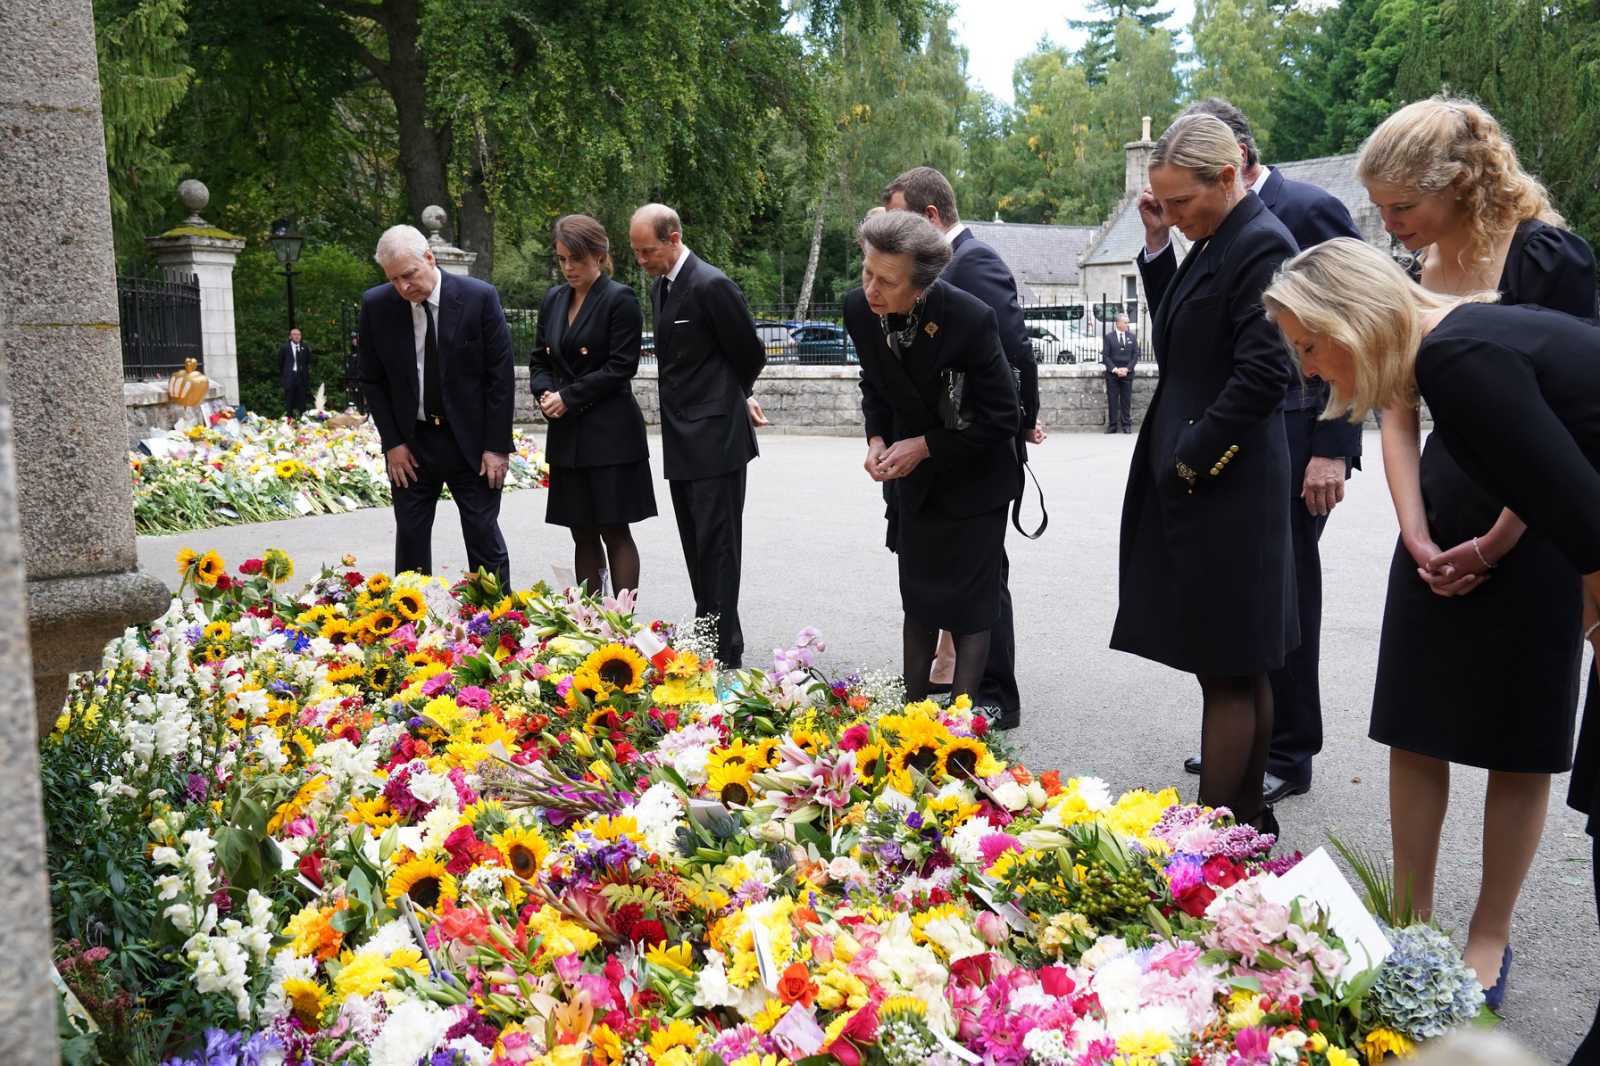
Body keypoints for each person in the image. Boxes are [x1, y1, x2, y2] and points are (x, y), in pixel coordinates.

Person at [1262, 235, 1600, 1035]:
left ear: (1351, 319)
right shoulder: (1443, 348)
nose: (1308, 370)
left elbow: (1584, 517)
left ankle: (1492, 940)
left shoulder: (1456, 355)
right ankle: (1410, 931)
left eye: (1310, 346)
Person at [1356, 95, 1596, 1007]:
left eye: (1401, 207)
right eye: (1382, 211)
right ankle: (1406, 924)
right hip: (1438, 511)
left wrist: (1496, 543)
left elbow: (1568, 430)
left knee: (1517, 738)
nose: (1390, 225)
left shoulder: (1548, 256)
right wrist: (1414, 527)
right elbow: (1395, 402)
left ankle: (1488, 936)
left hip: (1539, 525)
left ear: (1458, 185)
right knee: (1415, 725)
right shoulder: (1418, 262)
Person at [1109, 113, 1299, 836]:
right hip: (1212, 477)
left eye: (1182, 202)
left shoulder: (1261, 245)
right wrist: (1158, 243)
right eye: (1167, 206)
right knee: (1236, 663)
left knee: (1230, 665)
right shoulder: (1221, 238)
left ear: (1228, 176)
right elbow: (1182, 330)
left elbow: (1266, 373)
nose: (1177, 216)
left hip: (1227, 482)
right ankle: (1244, 826)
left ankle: (1216, 835)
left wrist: (1191, 457)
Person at [1178, 97, 1366, 805]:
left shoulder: (1308, 208)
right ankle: (1250, 744)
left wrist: (1335, 445)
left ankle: (1290, 748)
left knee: (1288, 595)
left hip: (1298, 436)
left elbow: (1356, 329)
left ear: (1234, 160)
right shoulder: (1214, 225)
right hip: (1244, 439)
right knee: (1250, 599)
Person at [881, 165, 1044, 731]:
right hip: (930, 454)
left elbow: (1016, 354)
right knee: (945, 577)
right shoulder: (911, 276)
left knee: (981, 580)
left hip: (974, 449)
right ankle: (953, 684)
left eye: (899, 216)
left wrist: (1026, 424)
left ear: (929, 218)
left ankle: (995, 693)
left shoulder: (976, 264)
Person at [842, 210, 1021, 703]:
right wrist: (876, 441)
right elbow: (875, 387)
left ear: (922, 285)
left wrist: (923, 446)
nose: (872, 290)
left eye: (887, 281)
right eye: (867, 273)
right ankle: (912, 714)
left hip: (975, 477)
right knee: (918, 601)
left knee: (970, 608)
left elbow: (1002, 416)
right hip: (914, 483)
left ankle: (962, 725)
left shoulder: (969, 318)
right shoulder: (860, 310)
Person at [627, 203, 767, 668]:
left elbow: (750, 352)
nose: (641, 260)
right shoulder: (661, 287)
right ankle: (713, 631)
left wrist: (731, 399)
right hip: (682, 439)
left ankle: (722, 651)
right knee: (695, 544)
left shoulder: (711, 284)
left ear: (674, 238)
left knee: (719, 546)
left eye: (647, 250)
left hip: (717, 440)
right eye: (636, 252)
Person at [358, 224, 514, 585]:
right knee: (410, 538)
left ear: (429, 257)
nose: (403, 287)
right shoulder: (378, 305)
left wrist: (495, 447)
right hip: (412, 445)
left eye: (409, 275)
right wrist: (393, 444)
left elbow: (500, 379)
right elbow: (372, 380)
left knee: (482, 534)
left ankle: (498, 622)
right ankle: (413, 625)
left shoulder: (479, 298)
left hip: (472, 444)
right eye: (394, 279)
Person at [530, 214, 657, 598]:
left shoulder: (620, 299)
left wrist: (567, 397)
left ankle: (622, 625)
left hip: (610, 435)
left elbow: (621, 367)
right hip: (568, 435)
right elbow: (540, 360)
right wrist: (545, 394)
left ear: (599, 256)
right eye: (563, 259)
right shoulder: (553, 299)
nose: (569, 268)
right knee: (580, 531)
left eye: (577, 259)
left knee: (614, 530)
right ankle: (590, 621)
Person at [1101, 313, 1137, 433]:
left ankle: (1126, 425)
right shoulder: (1108, 337)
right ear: (1118, 323)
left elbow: (1135, 355)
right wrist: (1115, 369)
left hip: (1128, 373)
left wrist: (1127, 369)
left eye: (1128, 322)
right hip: (1112, 374)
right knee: (1112, 400)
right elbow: (1105, 356)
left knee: (1126, 400)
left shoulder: (1132, 337)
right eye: (1125, 322)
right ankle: (1112, 426)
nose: (1128, 325)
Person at [278, 327, 312, 418]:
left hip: (301, 378)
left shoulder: (304, 347)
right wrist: (284, 377)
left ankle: (303, 420)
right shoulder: (284, 348)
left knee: (302, 401)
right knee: (289, 401)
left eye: (299, 334)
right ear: (290, 336)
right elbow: (280, 363)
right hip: (290, 377)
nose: (297, 336)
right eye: (294, 334)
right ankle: (289, 421)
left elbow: (308, 361)